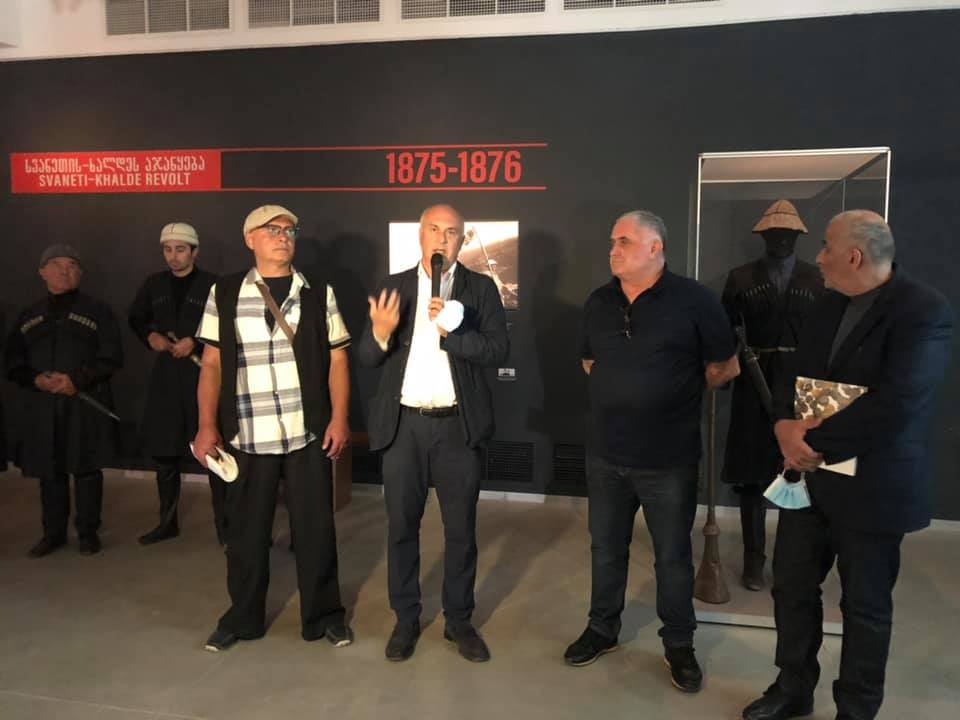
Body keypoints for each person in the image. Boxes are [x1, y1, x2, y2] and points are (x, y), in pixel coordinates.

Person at [742, 210, 953, 720]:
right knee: (791, 588)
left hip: (873, 487)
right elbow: (793, 374)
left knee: (865, 606)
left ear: (854, 256)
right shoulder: (828, 303)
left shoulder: (923, 310)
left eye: (826, 247)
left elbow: (900, 403)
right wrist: (783, 425)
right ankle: (792, 689)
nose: (817, 257)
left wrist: (810, 443)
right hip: (809, 481)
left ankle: (855, 709)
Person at [566, 210, 739, 692]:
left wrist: (669, 393)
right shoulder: (599, 301)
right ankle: (602, 629)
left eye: (623, 241)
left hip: (668, 458)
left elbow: (725, 367)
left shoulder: (694, 300)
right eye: (612, 241)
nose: (612, 250)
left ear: (655, 247)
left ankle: (679, 643)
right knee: (605, 550)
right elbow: (588, 360)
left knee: (672, 557)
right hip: (605, 454)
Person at [192, 205, 353, 652]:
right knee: (245, 536)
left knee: (316, 532)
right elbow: (211, 363)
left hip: (306, 433)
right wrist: (206, 425)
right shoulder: (225, 292)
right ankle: (242, 618)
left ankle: (325, 616)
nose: (283, 237)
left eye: (289, 230)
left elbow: (338, 359)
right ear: (250, 239)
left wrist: (340, 418)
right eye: (272, 230)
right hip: (246, 435)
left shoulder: (318, 291)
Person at [357, 203, 509, 663]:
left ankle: (458, 620)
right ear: (420, 235)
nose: (442, 239)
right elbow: (367, 357)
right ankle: (406, 618)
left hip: (457, 428)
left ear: (463, 240)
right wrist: (380, 334)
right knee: (402, 527)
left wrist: (452, 333)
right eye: (434, 229)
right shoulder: (393, 286)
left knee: (460, 530)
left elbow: (497, 349)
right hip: (404, 427)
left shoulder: (480, 288)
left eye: (452, 232)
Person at [721, 199, 825, 590]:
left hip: (801, 385)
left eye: (788, 234)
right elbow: (726, 333)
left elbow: (827, 338)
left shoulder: (816, 279)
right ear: (763, 235)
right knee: (752, 476)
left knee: (797, 472)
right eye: (774, 234)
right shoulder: (741, 278)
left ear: (798, 236)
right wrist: (722, 377)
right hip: (754, 381)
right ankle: (754, 559)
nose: (781, 239)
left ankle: (791, 561)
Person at [5, 245, 123, 556]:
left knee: (86, 470)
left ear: (80, 273)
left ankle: (88, 532)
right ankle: (53, 533)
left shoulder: (99, 312)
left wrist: (77, 380)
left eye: (71, 265)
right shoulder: (28, 315)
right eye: (55, 264)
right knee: (50, 470)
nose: (63, 270)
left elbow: (112, 357)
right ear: (42, 272)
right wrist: (35, 379)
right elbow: (12, 361)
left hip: (83, 402)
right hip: (43, 406)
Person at [128, 222, 222, 545]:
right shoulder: (154, 284)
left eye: (180, 249)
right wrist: (150, 335)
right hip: (167, 379)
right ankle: (167, 523)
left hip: (203, 376)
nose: (173, 256)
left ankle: (227, 528)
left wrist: (195, 341)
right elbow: (136, 318)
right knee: (165, 454)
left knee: (213, 453)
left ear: (195, 251)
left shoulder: (213, 285)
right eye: (167, 250)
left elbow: (228, 324)